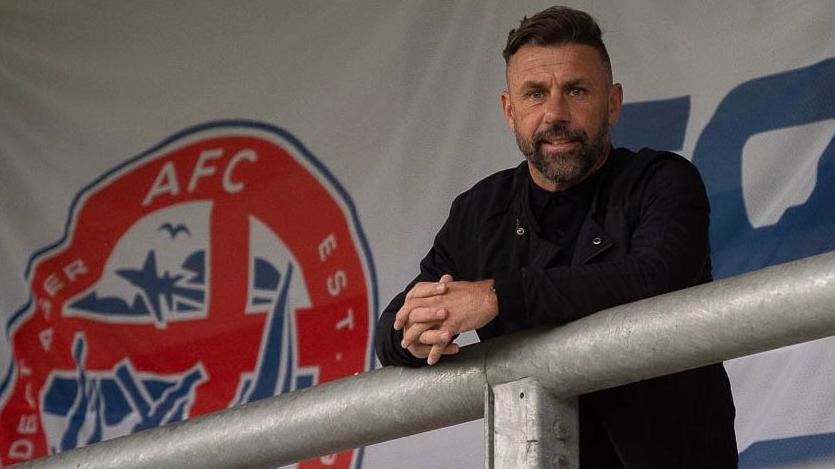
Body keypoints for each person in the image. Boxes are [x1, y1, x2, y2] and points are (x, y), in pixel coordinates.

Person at [375, 5, 737, 468]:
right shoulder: (480, 211)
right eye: (535, 93)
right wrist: (416, 333)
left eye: (576, 90)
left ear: (612, 101)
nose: (555, 114)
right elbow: (392, 327)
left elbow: (656, 276)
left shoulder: (661, 180)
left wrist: (498, 296)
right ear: (510, 110)